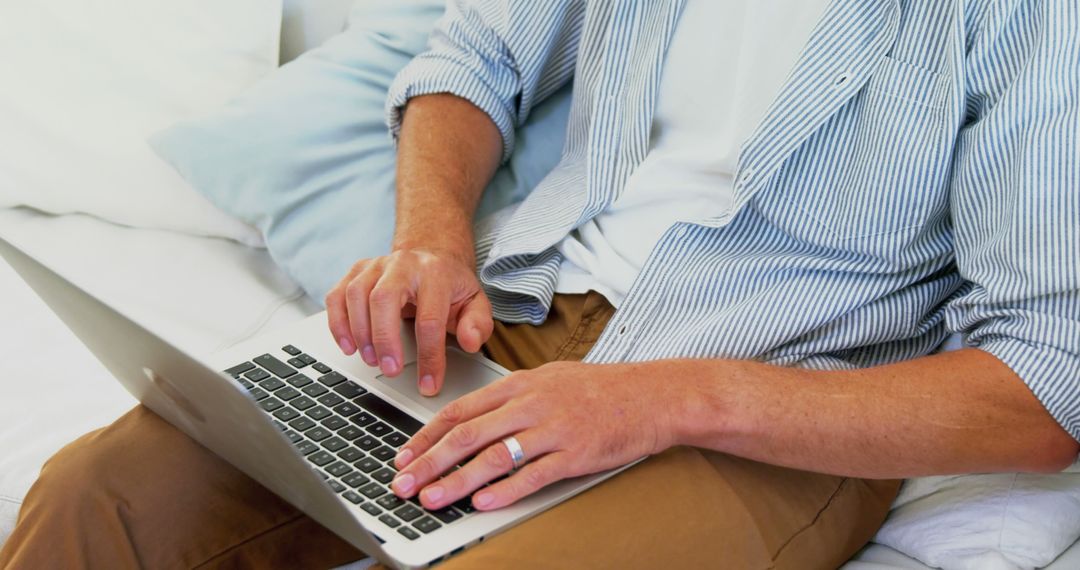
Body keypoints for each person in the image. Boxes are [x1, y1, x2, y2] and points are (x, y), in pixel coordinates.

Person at [3, 0, 1078, 568]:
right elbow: (473, 56)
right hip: (519, 316)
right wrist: (431, 240)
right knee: (100, 498)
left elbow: (1045, 390)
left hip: (776, 404)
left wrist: (659, 400)